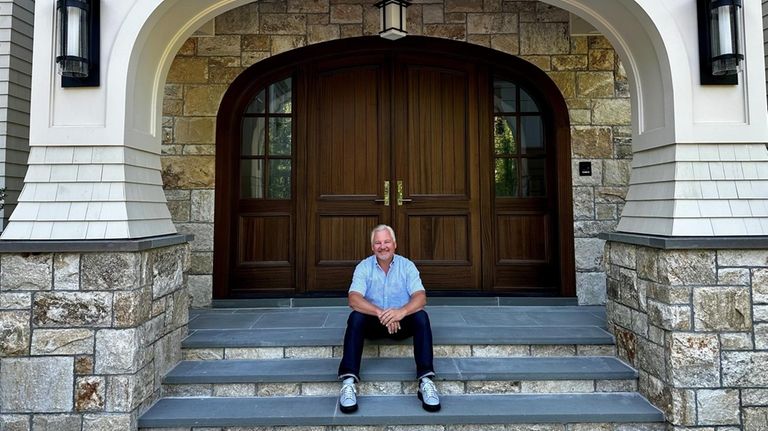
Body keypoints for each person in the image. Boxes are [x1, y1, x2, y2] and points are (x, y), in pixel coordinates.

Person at [337, 224, 440, 413]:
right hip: (374, 324)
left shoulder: (407, 266)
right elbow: (354, 299)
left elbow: (421, 297)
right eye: (378, 243)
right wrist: (380, 313)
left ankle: (425, 381)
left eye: (386, 242)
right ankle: (349, 382)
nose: (382, 246)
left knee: (421, 317)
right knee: (355, 317)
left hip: (402, 323)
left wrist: (401, 312)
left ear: (395, 244)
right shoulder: (364, 267)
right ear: (372, 247)